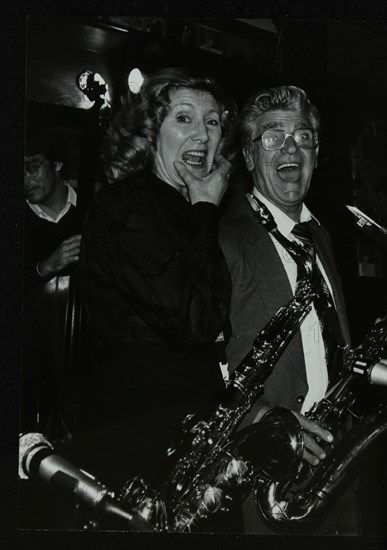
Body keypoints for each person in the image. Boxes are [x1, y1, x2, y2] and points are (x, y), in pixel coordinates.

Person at [70, 68, 238, 522]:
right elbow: (194, 322)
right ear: (151, 134)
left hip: (193, 420)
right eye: (183, 118)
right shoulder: (127, 203)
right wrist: (205, 206)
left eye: (213, 121)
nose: (201, 134)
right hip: (137, 423)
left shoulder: (193, 209)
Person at [219, 85, 359, 535]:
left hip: (336, 463)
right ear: (247, 155)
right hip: (267, 473)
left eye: (303, 136)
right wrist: (266, 422)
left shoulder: (320, 237)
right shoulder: (221, 238)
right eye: (273, 136)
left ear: (316, 153)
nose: (291, 147)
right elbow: (202, 363)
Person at [22, 128, 85, 437]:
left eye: (31, 166)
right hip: (33, 366)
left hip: (88, 364)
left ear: (57, 163)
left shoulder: (94, 208)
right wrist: (45, 267)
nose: (24, 178)